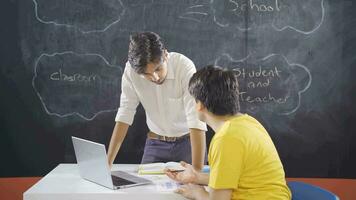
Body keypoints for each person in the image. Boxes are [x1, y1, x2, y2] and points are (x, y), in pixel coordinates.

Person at [165, 66, 291, 200]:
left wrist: (197, 193)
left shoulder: (226, 139)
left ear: (199, 105)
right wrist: (197, 177)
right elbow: (235, 178)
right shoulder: (248, 122)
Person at [107, 32, 207, 170]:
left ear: (165, 55)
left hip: (189, 143)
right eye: (146, 74)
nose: (154, 77)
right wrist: (107, 164)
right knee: (142, 189)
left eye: (158, 69)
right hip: (155, 143)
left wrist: (196, 172)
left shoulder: (184, 67)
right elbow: (125, 113)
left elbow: (196, 119)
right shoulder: (131, 71)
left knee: (191, 187)